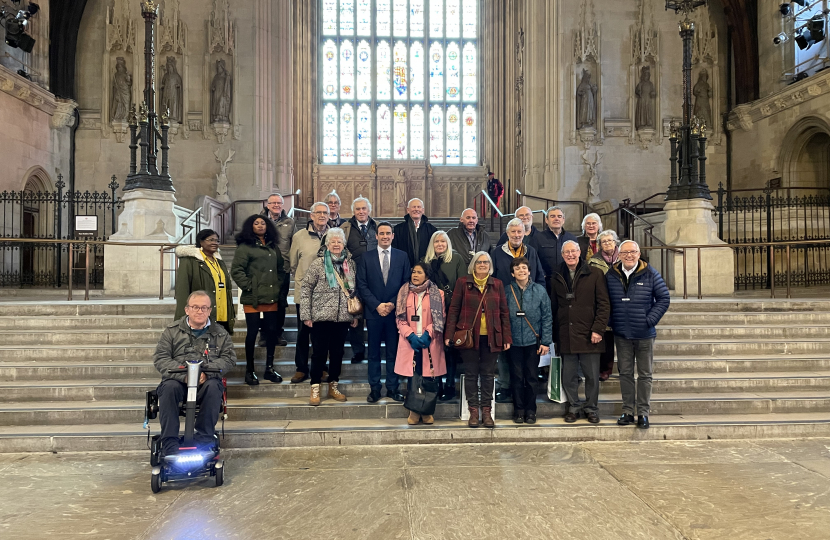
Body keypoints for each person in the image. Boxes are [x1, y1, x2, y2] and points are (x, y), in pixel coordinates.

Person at [154, 291, 236, 457]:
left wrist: (206, 373)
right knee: (168, 387)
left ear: (210, 310)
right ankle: (170, 442)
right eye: (196, 307)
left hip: (206, 382)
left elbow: (228, 359)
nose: (200, 311)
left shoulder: (220, 334)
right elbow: (161, 358)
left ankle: (204, 439)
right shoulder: (172, 332)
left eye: (204, 308)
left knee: (214, 387)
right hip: (179, 380)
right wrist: (183, 375)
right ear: (187, 310)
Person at [606, 240, 670, 430]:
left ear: (639, 253)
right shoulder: (611, 274)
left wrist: (649, 320)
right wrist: (611, 321)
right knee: (625, 373)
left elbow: (664, 298)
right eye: (625, 252)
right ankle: (627, 411)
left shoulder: (650, 273)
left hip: (644, 333)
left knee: (645, 374)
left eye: (632, 252)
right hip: (622, 333)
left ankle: (643, 412)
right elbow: (604, 300)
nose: (629, 256)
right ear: (619, 254)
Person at [445, 251, 512, 428]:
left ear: (490, 266)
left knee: (489, 375)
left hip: (492, 336)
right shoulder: (463, 283)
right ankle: (474, 410)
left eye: (486, 262)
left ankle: (487, 411)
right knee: (471, 374)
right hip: (469, 336)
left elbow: (504, 312)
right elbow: (454, 310)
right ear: (473, 265)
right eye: (479, 262)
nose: (482, 265)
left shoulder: (497, 284)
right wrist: (449, 334)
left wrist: (506, 336)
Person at [551, 240, 611, 424]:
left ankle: (591, 408)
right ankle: (574, 407)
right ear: (562, 255)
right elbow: (554, 307)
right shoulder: (555, 276)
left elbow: (604, 304)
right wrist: (555, 335)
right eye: (567, 252)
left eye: (573, 251)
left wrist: (598, 329)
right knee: (568, 376)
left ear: (580, 253)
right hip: (566, 334)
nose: (570, 255)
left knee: (592, 376)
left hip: (590, 334)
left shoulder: (595, 273)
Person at [299, 228, 359, 406]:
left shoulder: (350, 264)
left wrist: (355, 315)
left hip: (342, 317)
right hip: (321, 316)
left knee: (338, 353)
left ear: (343, 245)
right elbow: (306, 289)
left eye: (339, 242)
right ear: (326, 244)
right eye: (332, 241)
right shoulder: (318, 264)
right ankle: (315, 386)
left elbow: (354, 291)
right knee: (318, 353)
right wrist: (306, 315)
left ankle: (333, 384)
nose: (335, 244)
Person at [491, 218, 545, 403]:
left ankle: (526, 388)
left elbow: (539, 277)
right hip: (505, 305)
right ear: (507, 234)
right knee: (506, 349)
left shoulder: (532, 252)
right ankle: (506, 386)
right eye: (513, 232)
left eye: (519, 232)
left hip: (529, 306)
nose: (516, 235)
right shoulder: (497, 253)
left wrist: (538, 298)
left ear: (524, 233)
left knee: (528, 352)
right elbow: (492, 278)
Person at [356, 222, 409, 403]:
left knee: (394, 352)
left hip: (395, 313)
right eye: (382, 233)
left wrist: (393, 304)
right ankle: (375, 388)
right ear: (376, 236)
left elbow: (406, 283)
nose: (385, 236)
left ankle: (393, 388)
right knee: (374, 353)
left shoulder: (402, 257)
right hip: (374, 313)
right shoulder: (366, 257)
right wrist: (377, 305)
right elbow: (361, 284)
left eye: (388, 233)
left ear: (393, 236)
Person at [231, 215, 285, 386]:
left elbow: (280, 269)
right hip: (252, 297)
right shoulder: (245, 247)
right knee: (252, 333)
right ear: (250, 226)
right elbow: (236, 270)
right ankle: (250, 370)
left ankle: (269, 368)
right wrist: (249, 286)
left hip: (271, 297)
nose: (260, 226)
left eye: (263, 223)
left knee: (271, 333)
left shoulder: (273, 247)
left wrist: (277, 285)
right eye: (256, 223)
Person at [394, 262, 447, 425]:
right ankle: (414, 411)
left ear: (427, 275)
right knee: (414, 378)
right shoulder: (404, 292)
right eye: (413, 272)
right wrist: (410, 336)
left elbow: (440, 317)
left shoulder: (438, 293)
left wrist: (428, 335)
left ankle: (427, 411)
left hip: (429, 341)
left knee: (429, 377)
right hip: (410, 341)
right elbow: (399, 318)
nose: (415, 275)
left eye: (419, 272)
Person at [505, 257, 552, 424]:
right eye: (517, 268)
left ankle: (531, 410)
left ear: (529, 271)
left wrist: (546, 341)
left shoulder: (539, 290)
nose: (521, 271)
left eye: (524, 268)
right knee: (516, 377)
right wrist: (505, 338)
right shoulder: (507, 291)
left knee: (532, 377)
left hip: (534, 341)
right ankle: (518, 410)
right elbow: (503, 317)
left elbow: (547, 317)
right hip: (513, 342)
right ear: (512, 273)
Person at [288, 202, 331, 384]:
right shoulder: (299, 236)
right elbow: (292, 264)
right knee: (303, 333)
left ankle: (321, 367)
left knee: (322, 335)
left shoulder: (334, 235)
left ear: (329, 216)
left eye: (325, 213)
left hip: (327, 295)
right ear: (311, 215)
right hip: (305, 293)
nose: (322, 215)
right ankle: (301, 368)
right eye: (318, 213)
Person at [422, 230, 467, 400]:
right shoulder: (425, 261)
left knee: (450, 349)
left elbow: (462, 283)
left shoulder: (456, 259)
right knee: (434, 349)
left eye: (443, 241)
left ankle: (450, 383)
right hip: (431, 312)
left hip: (451, 310)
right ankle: (437, 383)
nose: (440, 244)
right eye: (436, 242)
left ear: (448, 243)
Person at [340, 196, 378, 364]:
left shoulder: (377, 226)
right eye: (358, 209)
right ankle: (358, 351)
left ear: (369, 210)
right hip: (352, 276)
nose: (361, 211)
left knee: (373, 314)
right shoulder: (345, 227)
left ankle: (374, 349)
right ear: (353, 211)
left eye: (364, 208)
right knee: (355, 313)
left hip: (374, 277)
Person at [174, 229, 235, 334]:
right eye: (211, 240)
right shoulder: (189, 261)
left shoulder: (219, 261)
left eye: (217, 240)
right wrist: (183, 317)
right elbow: (182, 290)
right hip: (201, 315)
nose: (215, 243)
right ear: (200, 242)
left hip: (222, 314)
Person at [260, 193, 295, 347]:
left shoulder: (290, 222)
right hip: (262, 270)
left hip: (283, 269)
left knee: (281, 302)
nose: (276, 205)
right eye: (273, 203)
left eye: (279, 203)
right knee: (263, 302)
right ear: (268, 205)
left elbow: (294, 246)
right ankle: (264, 334)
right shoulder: (259, 221)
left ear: (282, 205)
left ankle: (277, 333)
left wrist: (292, 265)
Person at [588, 230, 621, 382]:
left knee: (622, 338)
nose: (607, 243)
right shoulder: (593, 260)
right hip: (602, 302)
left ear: (616, 242)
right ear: (600, 245)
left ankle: (624, 369)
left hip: (621, 303)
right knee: (606, 338)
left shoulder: (624, 257)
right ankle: (605, 369)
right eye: (604, 241)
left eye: (610, 240)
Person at [535, 206, 579, 282]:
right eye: (552, 216)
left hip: (568, 281)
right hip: (547, 282)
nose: (556, 219)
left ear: (563, 220)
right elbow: (533, 260)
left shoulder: (572, 238)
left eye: (559, 216)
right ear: (546, 220)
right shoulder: (537, 238)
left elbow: (577, 258)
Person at [392, 198, 438, 267]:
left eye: (419, 207)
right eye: (413, 207)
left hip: (426, 269)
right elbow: (395, 250)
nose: (416, 209)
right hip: (404, 267)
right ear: (408, 210)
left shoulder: (432, 229)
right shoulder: (398, 229)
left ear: (423, 210)